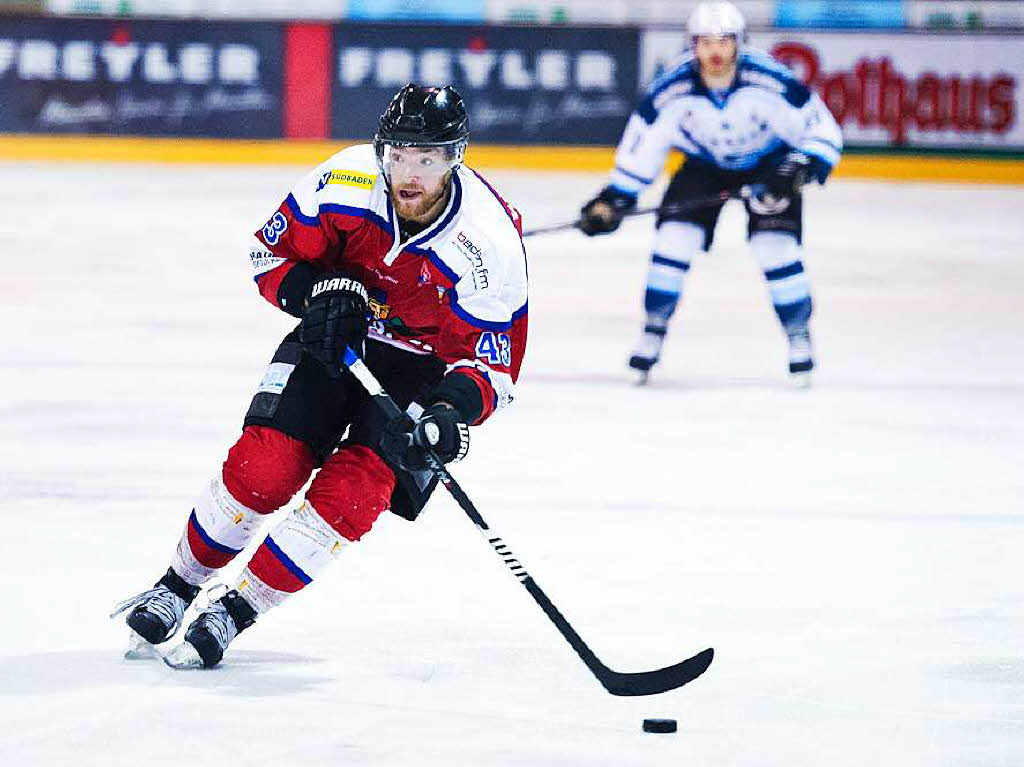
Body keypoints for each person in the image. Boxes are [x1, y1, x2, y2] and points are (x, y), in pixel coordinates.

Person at [112, 84, 529, 668]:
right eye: (399, 155)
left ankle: (236, 609)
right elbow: (269, 257)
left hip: (420, 370)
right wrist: (317, 292)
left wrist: (449, 413)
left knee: (354, 495)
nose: (409, 174)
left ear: (455, 158)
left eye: (428, 159)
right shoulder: (345, 180)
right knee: (263, 468)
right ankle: (176, 586)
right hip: (336, 342)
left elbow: (491, 364)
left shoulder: (490, 243)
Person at [579, 0, 842, 383]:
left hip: (770, 166)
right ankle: (652, 333)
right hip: (703, 168)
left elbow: (822, 133)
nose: (714, 51)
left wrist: (797, 169)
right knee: (672, 241)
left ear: (739, 43)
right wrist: (613, 200)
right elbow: (642, 151)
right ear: (693, 45)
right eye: (705, 42)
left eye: (723, 42)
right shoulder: (671, 91)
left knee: (776, 249)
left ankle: (799, 337)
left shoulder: (773, 81)